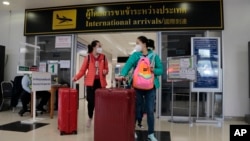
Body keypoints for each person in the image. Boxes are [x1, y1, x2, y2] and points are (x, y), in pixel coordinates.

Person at [119, 36, 163, 141]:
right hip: (137, 87)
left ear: (144, 44)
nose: (136, 45)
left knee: (150, 111)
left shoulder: (154, 56)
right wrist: (122, 74)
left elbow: (161, 70)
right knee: (136, 110)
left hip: (150, 87)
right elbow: (128, 65)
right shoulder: (135, 55)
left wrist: (154, 70)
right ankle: (133, 130)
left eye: (137, 43)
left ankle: (151, 134)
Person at [73, 40, 108, 128]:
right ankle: (90, 117)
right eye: (99, 46)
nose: (100, 48)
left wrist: (105, 71)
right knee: (91, 101)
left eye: (101, 46)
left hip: (100, 83)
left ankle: (99, 119)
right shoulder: (88, 58)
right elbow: (82, 70)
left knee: (100, 103)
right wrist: (76, 77)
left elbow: (106, 69)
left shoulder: (103, 57)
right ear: (93, 47)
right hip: (90, 83)